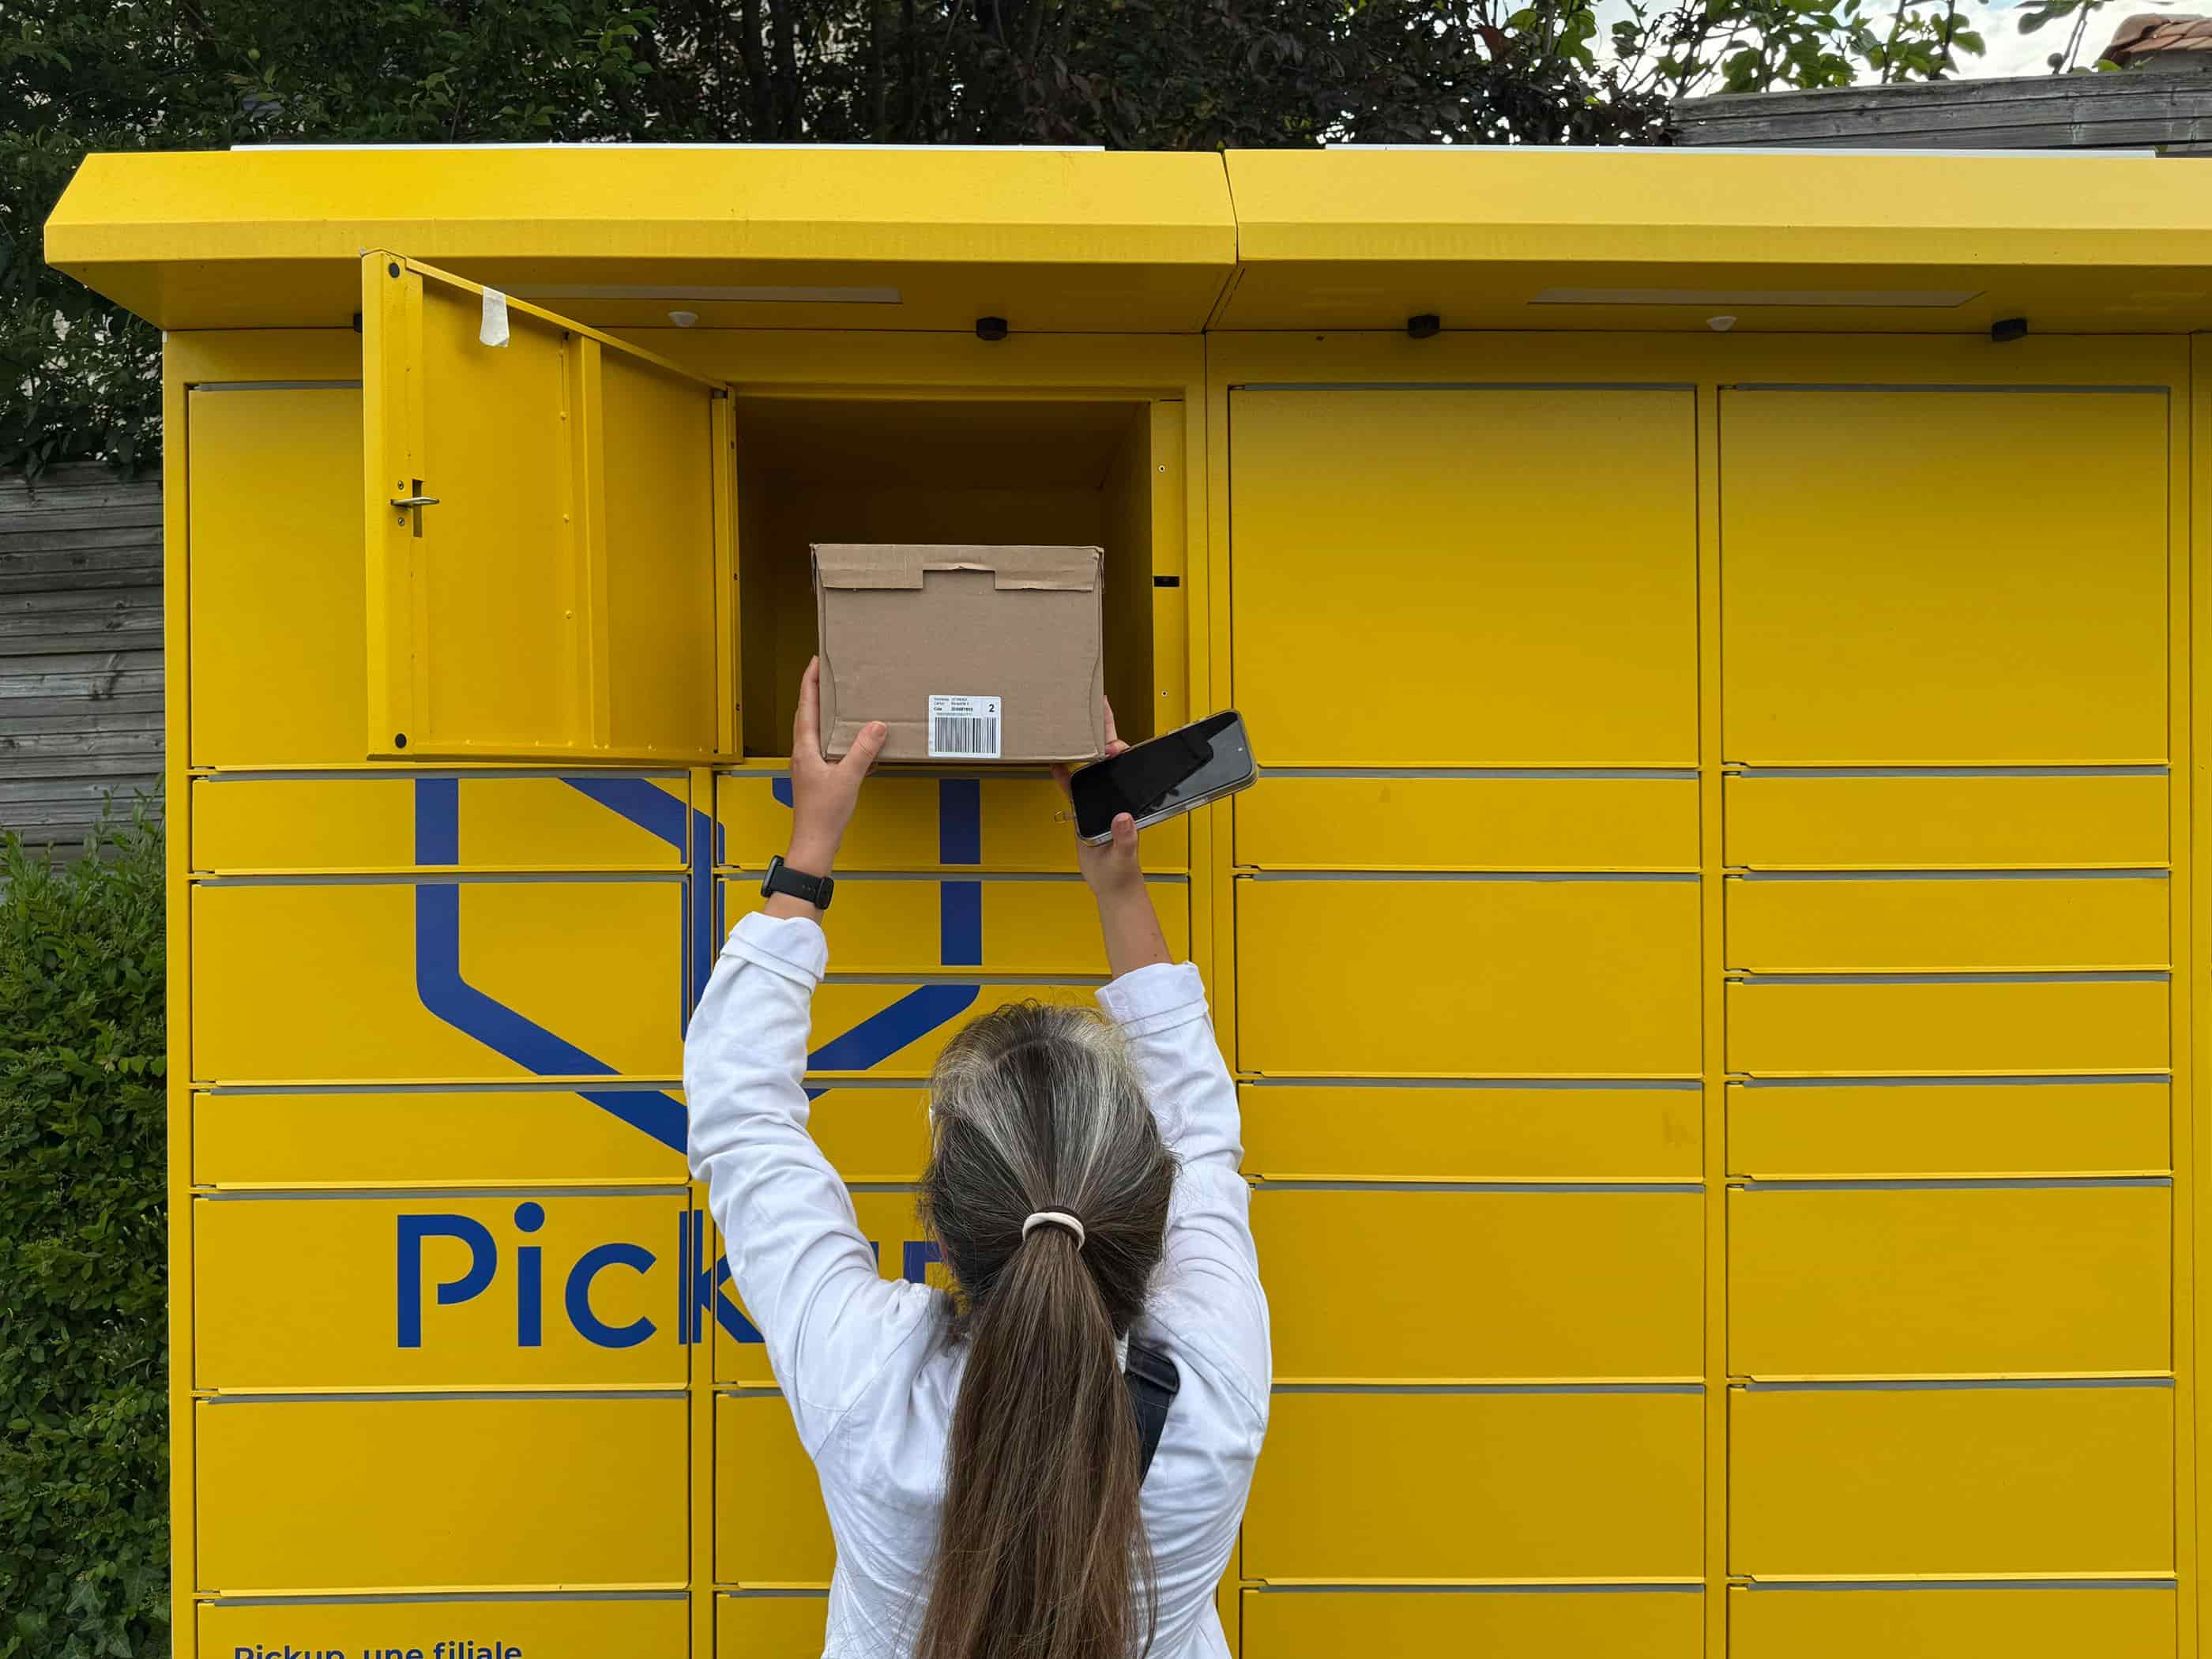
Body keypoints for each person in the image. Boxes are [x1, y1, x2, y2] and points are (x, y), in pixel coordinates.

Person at [686, 658, 1270, 1659]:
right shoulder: (1211, 1392)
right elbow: (1202, 1138)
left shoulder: (874, 1391)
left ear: (944, 1216)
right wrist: (1119, 885)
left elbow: (742, 1122)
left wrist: (809, 848)